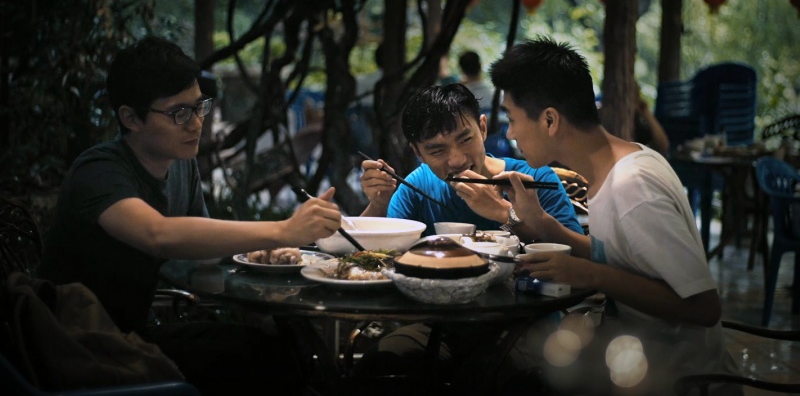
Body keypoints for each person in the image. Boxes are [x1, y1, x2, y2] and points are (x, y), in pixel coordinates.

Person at [37, 37, 342, 395]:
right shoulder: (99, 171)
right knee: (262, 361)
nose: (196, 124)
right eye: (179, 113)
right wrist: (282, 230)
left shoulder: (181, 165)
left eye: (200, 106)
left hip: (133, 337)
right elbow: (157, 234)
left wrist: (266, 252)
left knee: (282, 351)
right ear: (130, 118)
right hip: (78, 349)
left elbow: (204, 251)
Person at [487, 37, 740, 395]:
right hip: (635, 362)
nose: (510, 133)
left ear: (550, 120)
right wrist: (540, 221)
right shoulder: (618, 163)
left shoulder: (633, 187)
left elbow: (704, 308)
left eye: (512, 120)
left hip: (679, 380)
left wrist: (589, 274)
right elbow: (620, 256)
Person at [359, 83, 583, 239]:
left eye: (465, 139)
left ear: (483, 128)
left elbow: (579, 259)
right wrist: (379, 205)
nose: (457, 160)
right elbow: (373, 255)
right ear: (418, 153)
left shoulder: (533, 178)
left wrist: (504, 212)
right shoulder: (418, 186)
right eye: (437, 150)